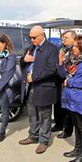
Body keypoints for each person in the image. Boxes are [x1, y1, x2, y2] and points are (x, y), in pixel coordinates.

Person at [18, 25, 58, 154]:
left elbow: (52, 69)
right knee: (32, 113)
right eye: (30, 38)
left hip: (43, 87)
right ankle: (33, 136)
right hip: (30, 87)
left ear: (42, 35)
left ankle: (44, 141)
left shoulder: (51, 49)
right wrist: (24, 60)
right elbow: (22, 63)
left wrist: (34, 77)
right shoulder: (31, 48)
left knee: (44, 116)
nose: (32, 40)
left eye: (34, 37)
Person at [53, 30, 76, 139]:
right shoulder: (62, 49)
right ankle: (58, 124)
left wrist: (61, 61)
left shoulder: (75, 51)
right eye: (63, 38)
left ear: (73, 39)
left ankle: (67, 129)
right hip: (58, 80)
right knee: (57, 104)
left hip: (67, 82)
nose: (63, 40)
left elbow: (70, 67)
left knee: (66, 108)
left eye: (66, 38)